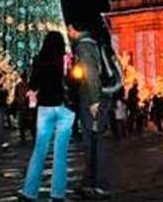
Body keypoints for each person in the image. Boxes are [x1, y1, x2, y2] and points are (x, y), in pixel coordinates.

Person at [17, 31, 75, 202]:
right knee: (61, 153)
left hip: (45, 108)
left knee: (39, 150)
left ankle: (30, 192)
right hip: (65, 109)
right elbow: (75, 81)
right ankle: (58, 194)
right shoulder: (67, 59)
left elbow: (33, 84)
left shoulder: (39, 59)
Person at [68, 17, 114, 200]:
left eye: (69, 28)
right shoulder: (94, 43)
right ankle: (88, 183)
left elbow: (91, 75)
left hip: (91, 100)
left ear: (75, 28)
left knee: (94, 142)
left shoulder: (84, 47)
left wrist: (94, 102)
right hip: (99, 97)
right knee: (94, 142)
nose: (68, 31)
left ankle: (100, 184)